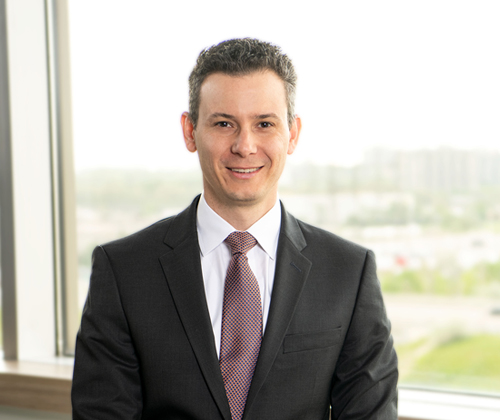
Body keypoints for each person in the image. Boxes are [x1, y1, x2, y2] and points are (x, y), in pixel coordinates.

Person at [72, 38, 398, 420]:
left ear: (292, 134)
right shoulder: (123, 271)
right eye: (224, 124)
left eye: (264, 124)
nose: (245, 146)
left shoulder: (348, 273)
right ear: (190, 131)